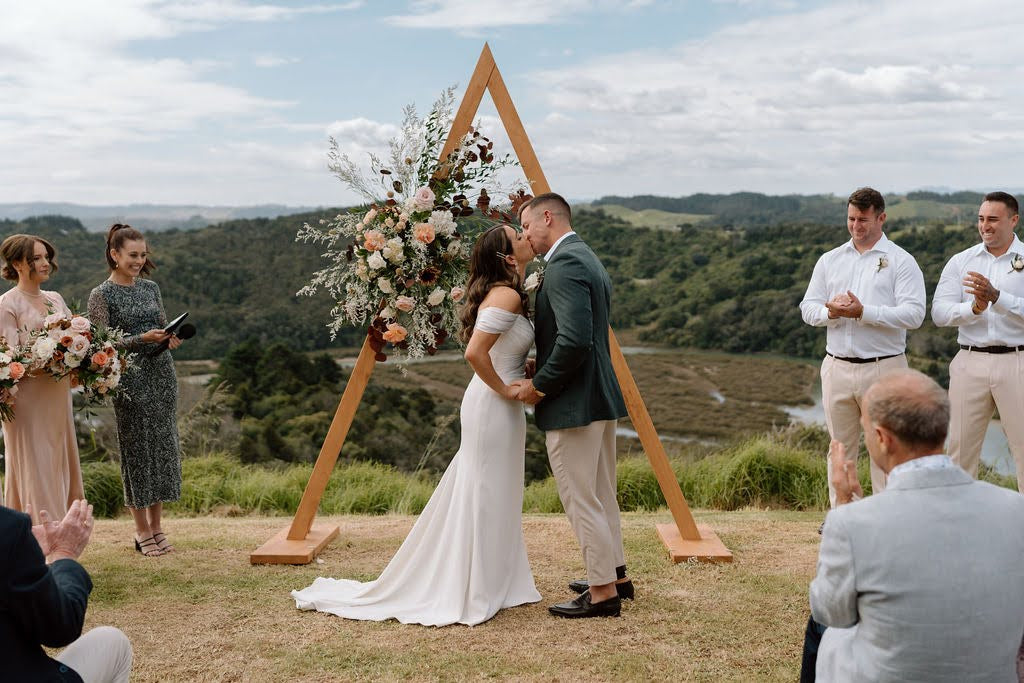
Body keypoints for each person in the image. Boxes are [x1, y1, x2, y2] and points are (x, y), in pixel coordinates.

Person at [292, 224, 542, 626]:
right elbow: (476, 355)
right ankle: (476, 584)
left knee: (496, 490)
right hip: (493, 405)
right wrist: (508, 391)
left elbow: (496, 350)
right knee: (484, 490)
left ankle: (496, 580)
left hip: (495, 405)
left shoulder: (509, 293)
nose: (526, 237)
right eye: (518, 237)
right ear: (509, 258)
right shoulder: (508, 294)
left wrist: (520, 368)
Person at [810, 369, 1024, 681]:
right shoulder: (1016, 510)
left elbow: (829, 611)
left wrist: (843, 505)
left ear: (882, 439)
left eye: (865, 430)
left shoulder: (851, 523)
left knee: (821, 628)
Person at [515, 192, 630, 619]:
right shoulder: (585, 255)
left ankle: (602, 593)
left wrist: (539, 386)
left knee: (581, 497)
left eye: (527, 226)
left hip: (573, 403)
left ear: (548, 216)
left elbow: (575, 339)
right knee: (601, 492)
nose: (526, 235)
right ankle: (615, 575)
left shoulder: (563, 265)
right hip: (598, 394)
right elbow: (577, 334)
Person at [799, 187, 926, 505]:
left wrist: (863, 312)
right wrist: (831, 311)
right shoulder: (830, 260)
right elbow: (808, 309)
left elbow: (914, 314)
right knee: (839, 447)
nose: (856, 226)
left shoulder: (901, 261)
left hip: (884, 366)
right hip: (837, 366)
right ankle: (842, 516)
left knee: (887, 447)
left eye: (864, 219)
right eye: (851, 219)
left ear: (882, 218)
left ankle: (887, 518)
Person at [87, 224, 183, 557]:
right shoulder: (101, 295)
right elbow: (100, 345)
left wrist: (170, 338)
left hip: (161, 375)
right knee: (138, 456)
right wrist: (140, 340)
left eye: (143, 255)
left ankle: (158, 528)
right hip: (129, 382)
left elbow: (162, 323)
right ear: (114, 255)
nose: (139, 261)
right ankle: (141, 532)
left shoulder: (152, 288)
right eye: (132, 255)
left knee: (161, 453)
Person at [932, 191, 1024, 491]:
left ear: (1014, 220)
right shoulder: (961, 261)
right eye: (981, 219)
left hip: (1018, 360)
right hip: (969, 361)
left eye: (993, 219)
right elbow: (939, 313)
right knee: (959, 450)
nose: (985, 226)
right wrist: (973, 308)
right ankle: (957, 531)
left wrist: (998, 297)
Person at [0, 234, 84, 521]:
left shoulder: (56, 299)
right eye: (36, 258)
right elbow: (10, 357)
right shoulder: (6, 304)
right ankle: (36, 540)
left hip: (57, 395)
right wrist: (51, 350)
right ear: (17, 264)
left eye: (46, 257)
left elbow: (76, 338)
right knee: (35, 466)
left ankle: (65, 534)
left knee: (58, 462)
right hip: (26, 401)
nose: (45, 263)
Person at [3, 499, 133, 682]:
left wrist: (24, 559)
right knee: (114, 642)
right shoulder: (7, 527)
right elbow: (60, 628)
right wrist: (64, 553)